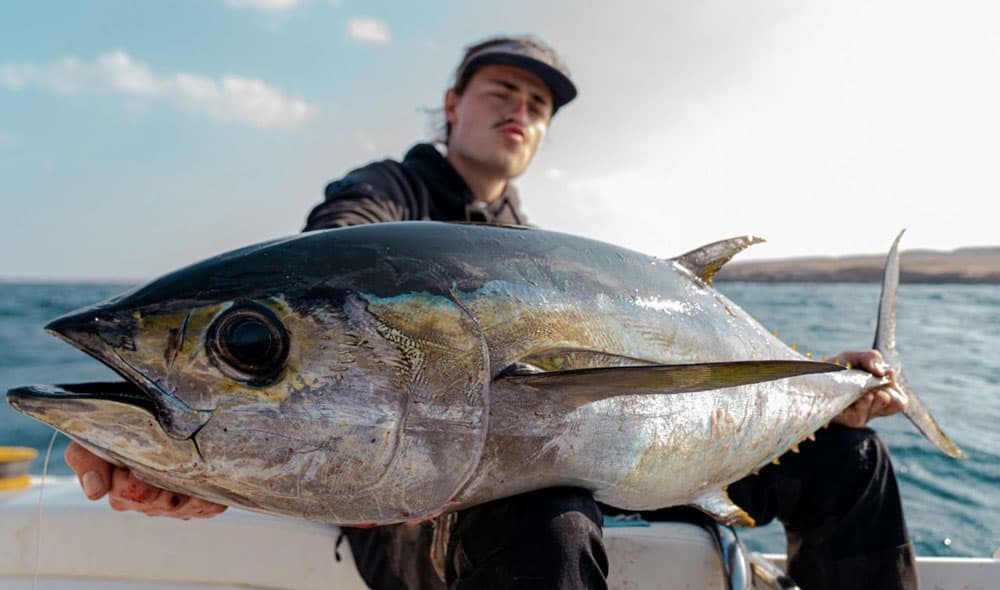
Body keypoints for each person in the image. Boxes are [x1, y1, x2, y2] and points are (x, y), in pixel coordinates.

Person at [65, 35, 917, 589]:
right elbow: (334, 256)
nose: (520, 110)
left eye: (537, 106)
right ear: (451, 106)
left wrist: (822, 385)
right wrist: (187, 445)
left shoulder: (536, 246)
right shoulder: (385, 196)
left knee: (855, 462)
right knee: (545, 531)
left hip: (605, 453)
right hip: (420, 497)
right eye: (501, 90)